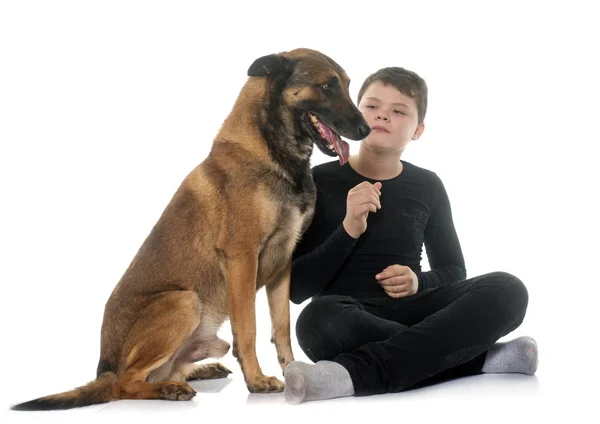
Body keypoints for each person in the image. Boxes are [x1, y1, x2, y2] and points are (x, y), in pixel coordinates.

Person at [283, 67, 538, 405]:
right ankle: (482, 360)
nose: (382, 115)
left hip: (417, 311)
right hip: (346, 315)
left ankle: (348, 376)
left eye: (398, 110)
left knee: (508, 289)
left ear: (417, 131)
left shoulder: (428, 185)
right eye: (372, 106)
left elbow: (453, 271)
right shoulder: (318, 180)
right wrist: (348, 230)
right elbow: (296, 289)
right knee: (315, 321)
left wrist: (418, 283)